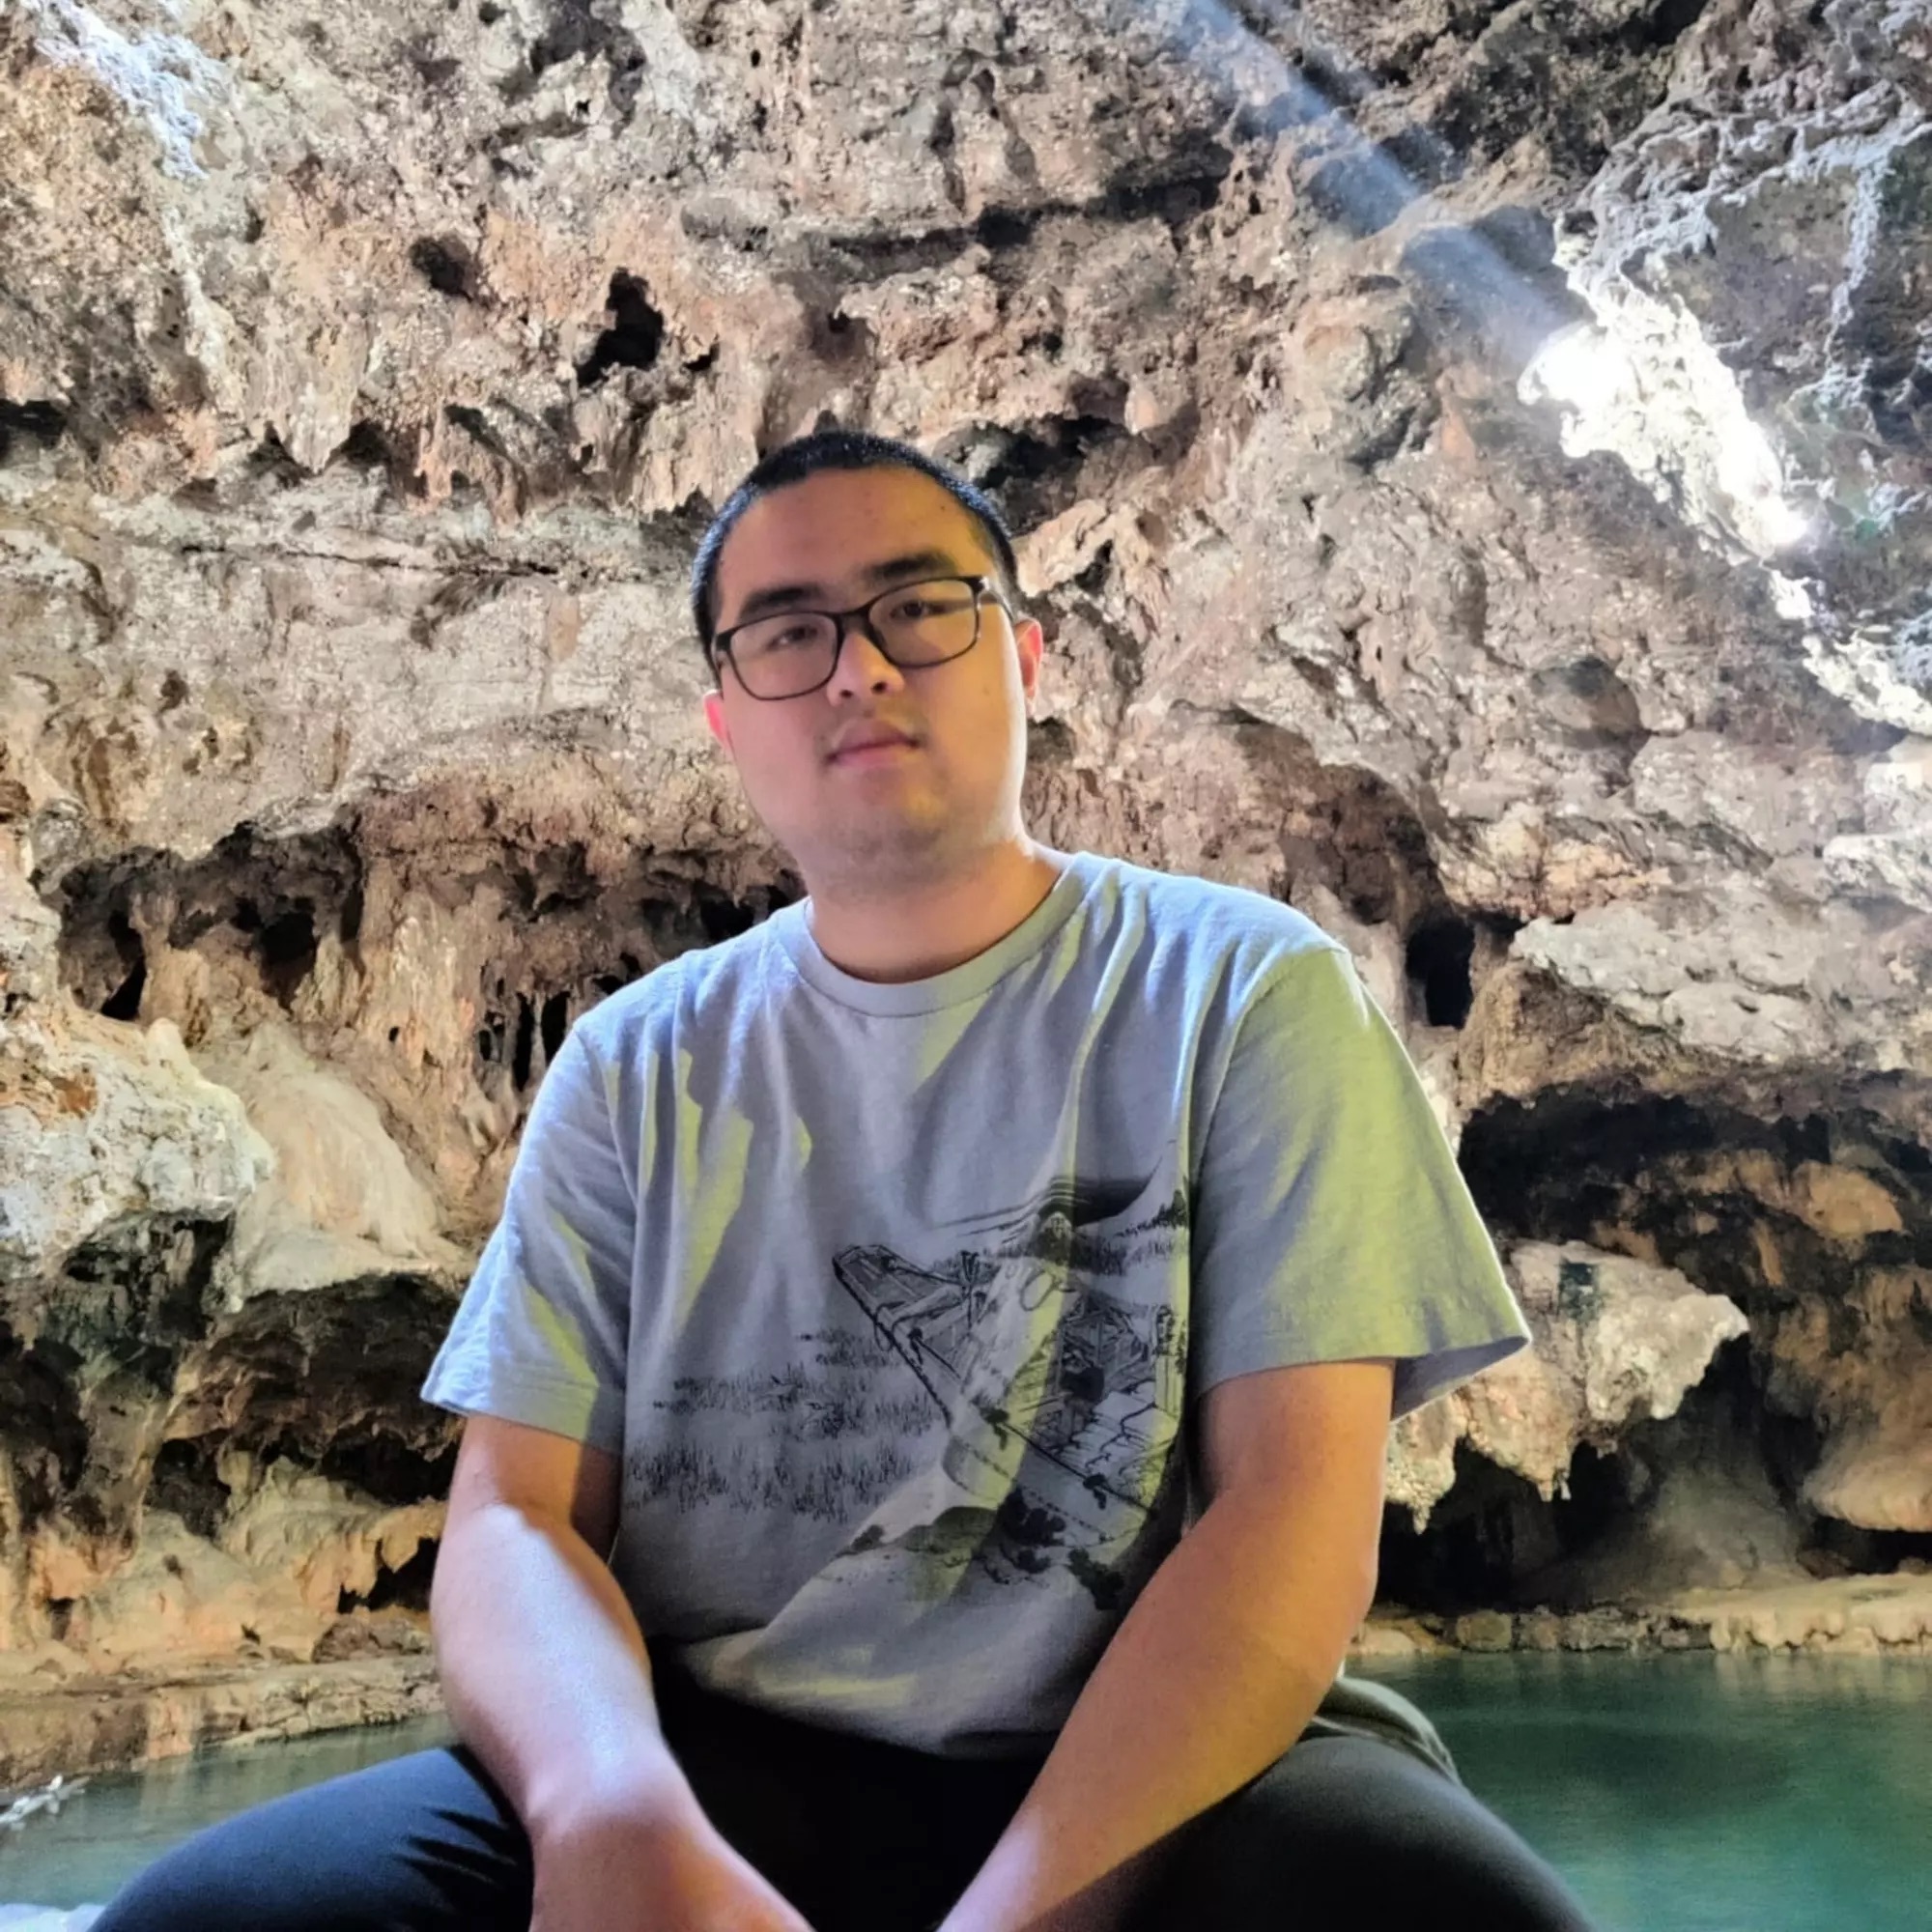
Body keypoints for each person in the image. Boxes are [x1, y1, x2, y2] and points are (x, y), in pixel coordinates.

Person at [95, 431, 1600, 1932]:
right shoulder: (635, 1066)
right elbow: (514, 1519)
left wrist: (1032, 1909)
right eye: (788, 633)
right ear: (725, 718)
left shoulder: (1243, 995)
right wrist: (604, 1807)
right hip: (712, 1755)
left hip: (1165, 1761)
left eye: (917, 608)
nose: (857, 669)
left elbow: (1291, 1511)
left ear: (1026, 658)